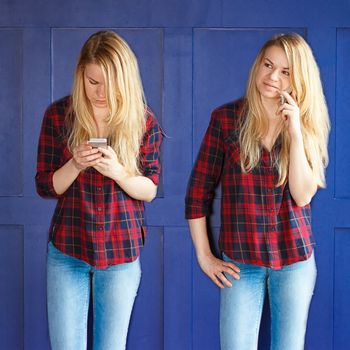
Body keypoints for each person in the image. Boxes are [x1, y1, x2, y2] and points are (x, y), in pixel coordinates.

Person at [185, 33, 330, 350]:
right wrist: (205, 257)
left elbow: (303, 195)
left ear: (298, 78)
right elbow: (197, 194)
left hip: (294, 262)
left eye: (285, 71)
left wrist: (294, 133)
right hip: (241, 264)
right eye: (268, 64)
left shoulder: (305, 124)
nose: (272, 76)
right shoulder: (225, 120)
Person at [35, 30, 163, 350]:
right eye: (93, 82)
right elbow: (46, 186)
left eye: (109, 83)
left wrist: (118, 172)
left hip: (121, 252)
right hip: (68, 250)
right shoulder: (58, 115)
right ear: (81, 76)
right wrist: (75, 165)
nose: (101, 92)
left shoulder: (143, 122)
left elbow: (149, 190)